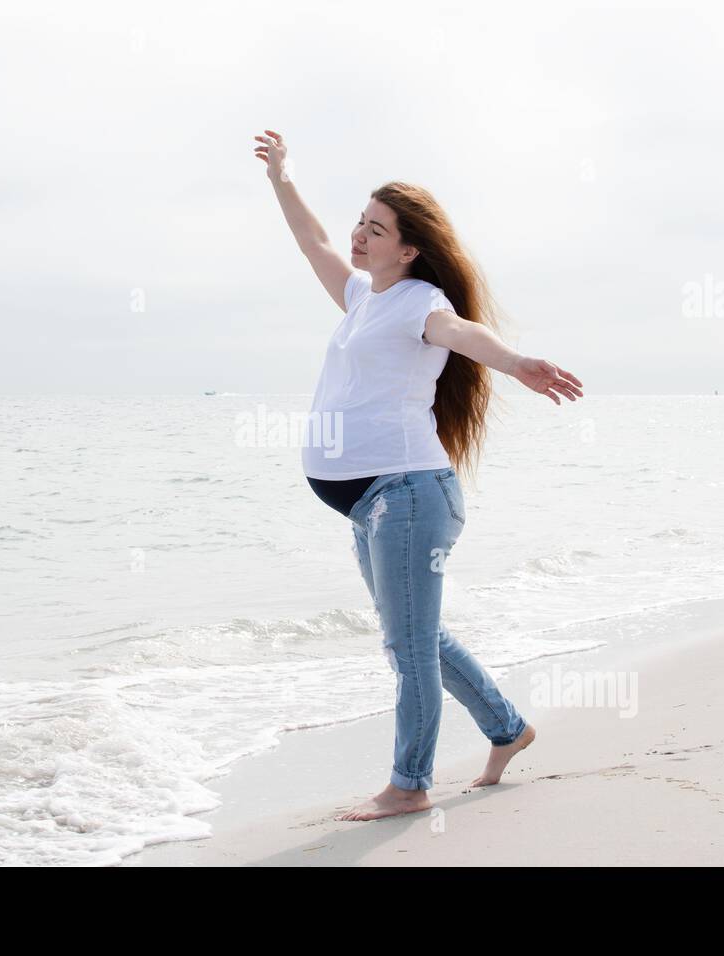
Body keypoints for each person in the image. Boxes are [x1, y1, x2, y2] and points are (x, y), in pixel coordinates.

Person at [254, 129, 584, 822]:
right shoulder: (362, 297)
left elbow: (461, 333)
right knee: (419, 637)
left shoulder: (418, 301)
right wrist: (282, 177)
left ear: (409, 248)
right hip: (376, 503)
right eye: (362, 223)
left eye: (377, 229)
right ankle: (506, 728)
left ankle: (410, 784)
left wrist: (516, 362)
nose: (359, 235)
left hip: (406, 496)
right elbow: (313, 242)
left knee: (407, 647)